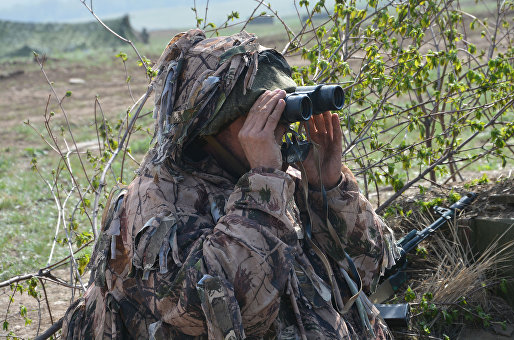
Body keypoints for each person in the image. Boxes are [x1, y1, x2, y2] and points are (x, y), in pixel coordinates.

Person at [61, 29, 399, 339]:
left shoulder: (274, 181)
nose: (279, 128)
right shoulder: (153, 209)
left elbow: (368, 273)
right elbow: (234, 312)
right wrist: (264, 183)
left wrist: (329, 186)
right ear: (212, 124)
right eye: (262, 114)